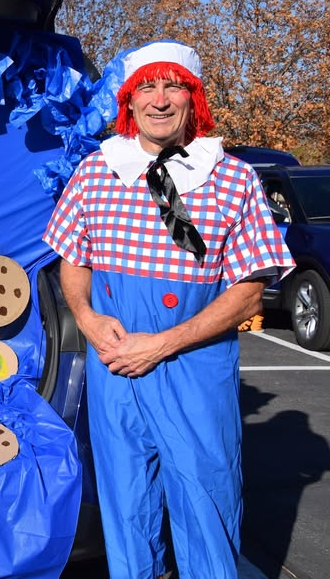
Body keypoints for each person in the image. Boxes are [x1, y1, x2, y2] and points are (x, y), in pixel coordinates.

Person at [42, 41, 294, 579]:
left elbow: (249, 293)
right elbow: (73, 260)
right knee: (127, 509)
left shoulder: (233, 178)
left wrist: (161, 343)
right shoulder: (95, 172)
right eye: (147, 88)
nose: (160, 100)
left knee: (207, 503)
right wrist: (87, 318)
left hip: (193, 368)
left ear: (193, 99)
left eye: (173, 85)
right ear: (129, 102)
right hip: (116, 369)